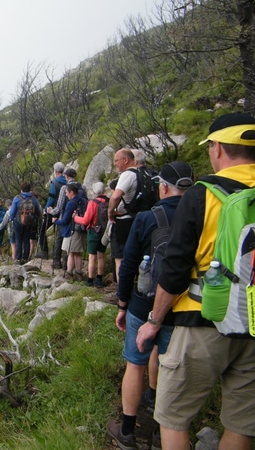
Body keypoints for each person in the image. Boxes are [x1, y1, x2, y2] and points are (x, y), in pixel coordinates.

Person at [137, 112, 255, 450]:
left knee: (172, 415)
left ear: (217, 148)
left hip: (204, 317)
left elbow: (174, 270)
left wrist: (154, 321)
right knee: (242, 423)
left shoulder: (203, 194)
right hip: (254, 321)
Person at [107, 161, 194, 450]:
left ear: (163, 187)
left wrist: (122, 304)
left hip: (143, 302)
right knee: (168, 363)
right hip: (182, 305)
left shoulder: (145, 218)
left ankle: (128, 430)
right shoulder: (201, 214)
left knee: (135, 363)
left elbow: (129, 263)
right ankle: (161, 432)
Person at [108, 149, 138, 279]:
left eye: (116, 160)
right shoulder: (142, 173)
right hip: (137, 218)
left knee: (119, 258)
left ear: (126, 160)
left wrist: (110, 212)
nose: (115, 164)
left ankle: (122, 294)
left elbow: (116, 197)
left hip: (124, 220)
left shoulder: (128, 175)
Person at [73, 181, 108, 287]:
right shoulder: (109, 201)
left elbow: (85, 220)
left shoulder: (93, 203)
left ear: (94, 192)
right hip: (105, 231)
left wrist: (75, 218)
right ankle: (99, 279)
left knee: (92, 256)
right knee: (101, 256)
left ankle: (90, 280)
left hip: (94, 231)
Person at [54, 183, 85, 280]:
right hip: (81, 229)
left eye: (66, 192)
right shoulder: (84, 201)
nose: (66, 194)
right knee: (77, 253)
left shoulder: (71, 203)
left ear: (72, 192)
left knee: (71, 252)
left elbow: (65, 220)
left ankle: (69, 273)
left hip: (72, 230)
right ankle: (78, 273)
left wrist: (56, 221)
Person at [39, 162, 66, 259]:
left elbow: (51, 198)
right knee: (60, 234)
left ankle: (44, 252)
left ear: (55, 171)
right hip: (64, 211)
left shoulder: (55, 182)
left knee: (42, 230)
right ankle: (59, 256)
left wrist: (46, 209)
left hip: (53, 211)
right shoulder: (66, 182)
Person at [10, 182, 42, 264]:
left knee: (18, 240)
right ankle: (25, 258)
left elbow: (12, 212)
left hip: (18, 222)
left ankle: (18, 259)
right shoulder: (33, 198)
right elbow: (38, 211)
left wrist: (13, 218)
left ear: (21, 189)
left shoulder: (17, 198)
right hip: (29, 222)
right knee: (26, 240)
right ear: (30, 189)